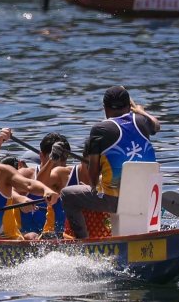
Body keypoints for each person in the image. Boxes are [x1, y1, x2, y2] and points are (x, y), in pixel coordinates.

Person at [61, 86, 160, 239]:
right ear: (128, 107)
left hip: (115, 200)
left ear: (105, 109)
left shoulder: (100, 129)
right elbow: (156, 124)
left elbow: (92, 172)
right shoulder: (142, 122)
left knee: (67, 195)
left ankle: (83, 243)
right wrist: (139, 110)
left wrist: (94, 186)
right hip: (148, 195)